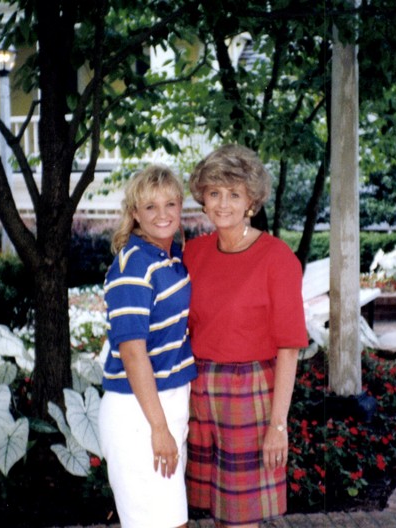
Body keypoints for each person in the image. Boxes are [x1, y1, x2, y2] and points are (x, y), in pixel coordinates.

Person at [184, 144, 308, 527]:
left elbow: (289, 348)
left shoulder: (277, 258)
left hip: (249, 395)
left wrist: (278, 426)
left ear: (251, 201)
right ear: (203, 198)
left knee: (241, 518)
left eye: (234, 194)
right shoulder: (193, 253)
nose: (223, 204)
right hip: (198, 391)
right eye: (215, 192)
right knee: (215, 513)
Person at [98, 165, 197, 528]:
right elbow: (132, 351)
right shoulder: (133, 265)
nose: (162, 214)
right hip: (138, 413)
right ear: (135, 213)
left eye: (170, 204)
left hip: (166, 404)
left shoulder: (169, 258)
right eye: (150, 206)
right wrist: (158, 427)